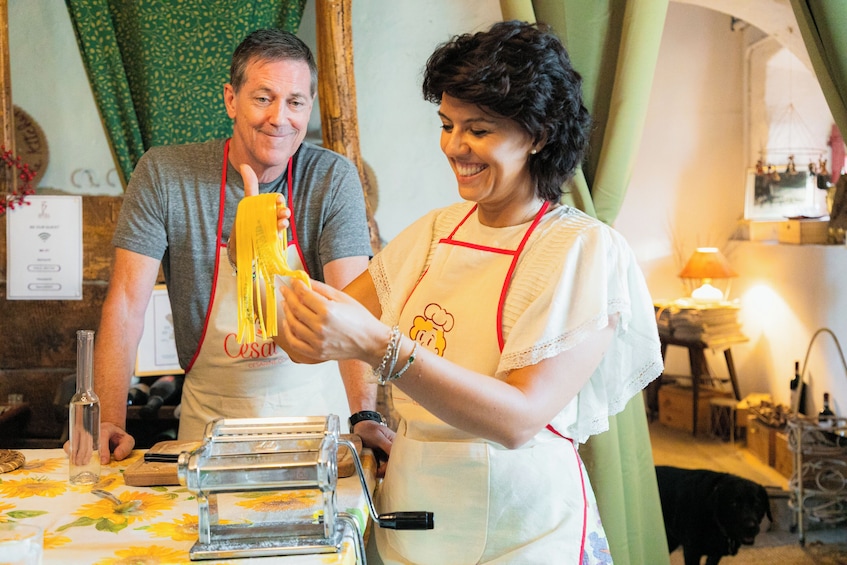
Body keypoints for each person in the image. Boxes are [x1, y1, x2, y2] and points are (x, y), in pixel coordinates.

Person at [269, 20, 663, 564]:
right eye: (447, 124)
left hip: (523, 529)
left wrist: (380, 347)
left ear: (539, 134)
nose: (455, 146)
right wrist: (274, 260)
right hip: (417, 515)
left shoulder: (585, 251)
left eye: (477, 129)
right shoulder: (435, 232)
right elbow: (308, 339)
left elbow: (519, 418)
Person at [76, 28, 393, 464]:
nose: (280, 118)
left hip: (318, 428)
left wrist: (365, 414)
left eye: (295, 102)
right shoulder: (165, 175)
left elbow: (349, 304)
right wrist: (108, 420)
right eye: (263, 98)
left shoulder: (331, 178)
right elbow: (127, 303)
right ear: (231, 99)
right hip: (207, 431)